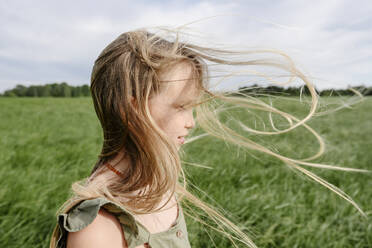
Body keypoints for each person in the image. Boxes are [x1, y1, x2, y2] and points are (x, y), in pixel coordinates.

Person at [49, 29, 366, 248]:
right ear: (134, 108)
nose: (192, 123)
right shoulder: (99, 224)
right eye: (182, 107)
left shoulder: (159, 185)